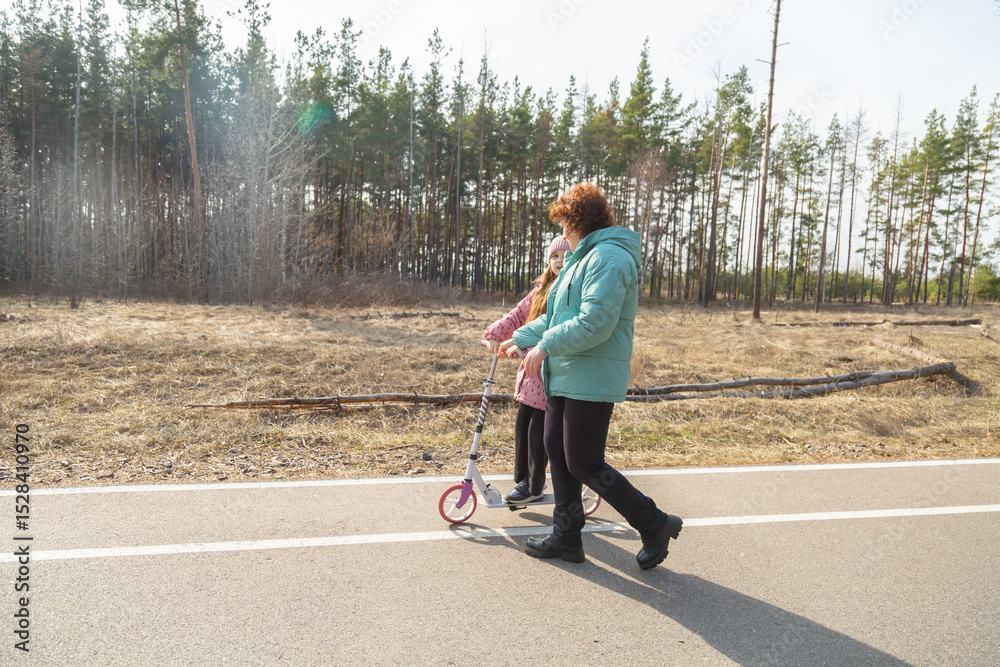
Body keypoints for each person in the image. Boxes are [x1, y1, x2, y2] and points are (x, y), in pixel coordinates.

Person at [502, 182, 682, 570]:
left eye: (566, 221)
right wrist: (518, 338)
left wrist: (545, 346)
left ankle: (654, 522)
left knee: (584, 462)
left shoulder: (610, 258)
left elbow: (595, 323)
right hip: (566, 372)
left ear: (581, 220)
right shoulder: (581, 260)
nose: (562, 231)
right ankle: (566, 536)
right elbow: (556, 316)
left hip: (592, 374)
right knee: (558, 452)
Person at [484, 235, 570, 503]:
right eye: (555, 256)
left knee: (538, 432)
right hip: (530, 371)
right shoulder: (541, 289)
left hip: (551, 367)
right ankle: (523, 481)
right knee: (522, 426)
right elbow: (519, 315)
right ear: (548, 260)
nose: (559, 261)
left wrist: (521, 341)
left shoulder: (570, 289)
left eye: (565, 256)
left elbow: (552, 324)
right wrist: (495, 333)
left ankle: (533, 486)